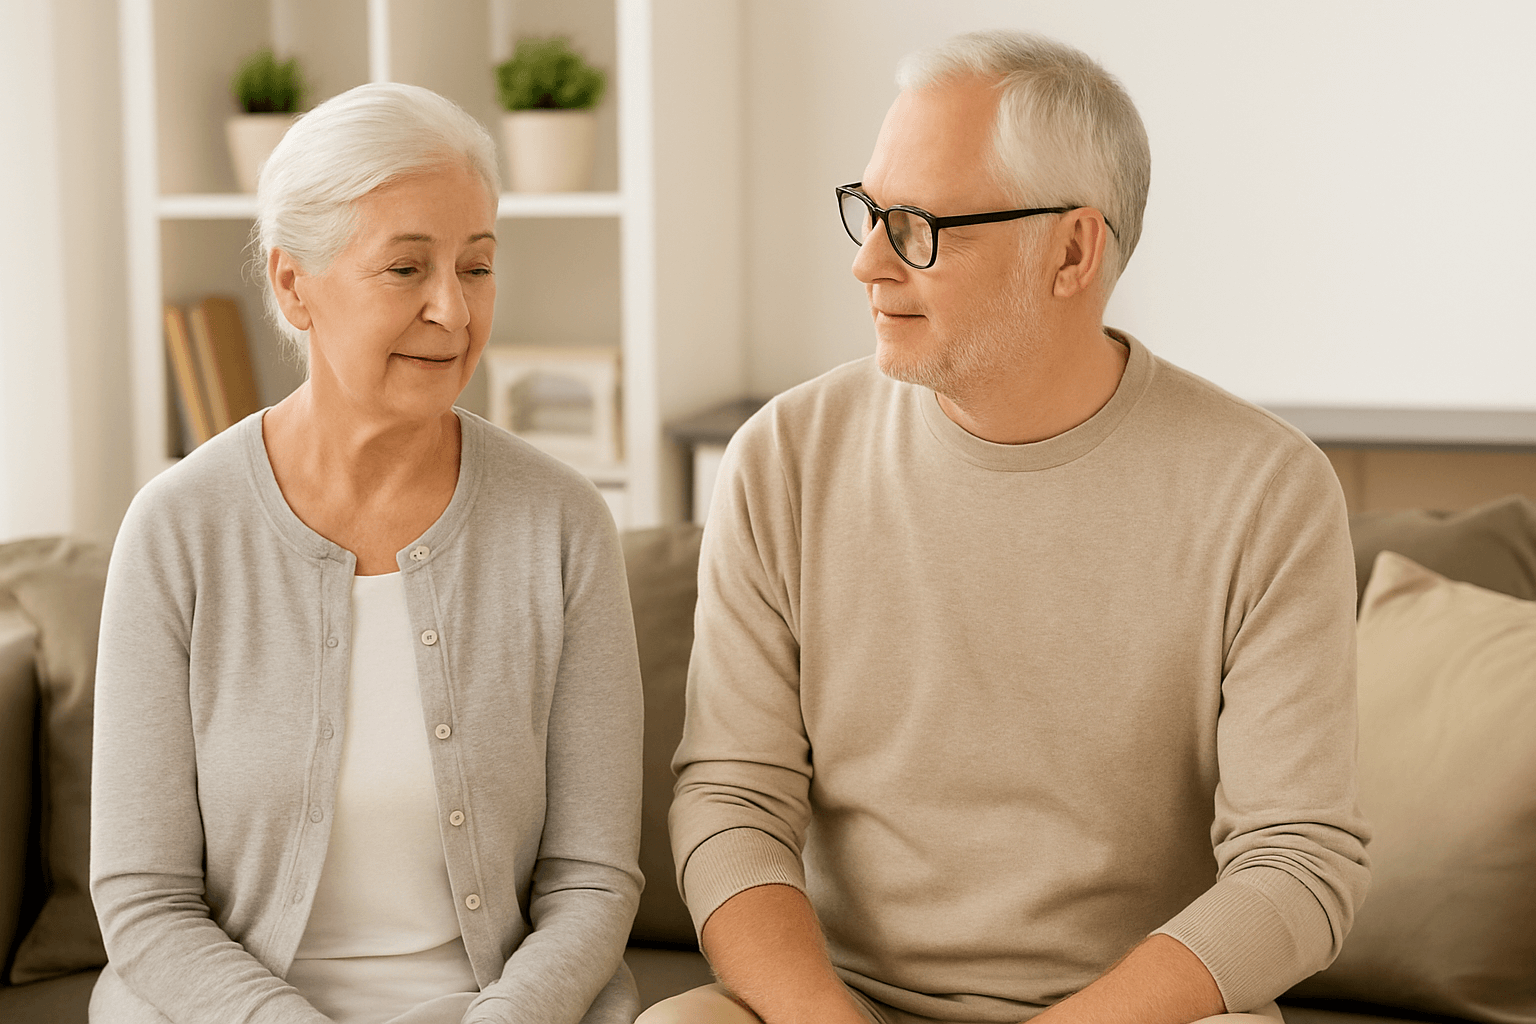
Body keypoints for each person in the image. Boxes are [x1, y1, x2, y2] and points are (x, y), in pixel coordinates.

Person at [644, 30, 1369, 1024]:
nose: (867, 263)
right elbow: (732, 799)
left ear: (1071, 250)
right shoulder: (782, 455)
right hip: (846, 1005)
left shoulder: (1267, 489)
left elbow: (1298, 862)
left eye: (918, 226)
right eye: (870, 212)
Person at [90, 82, 644, 1024]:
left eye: (476, 266)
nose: (452, 311)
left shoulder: (562, 524)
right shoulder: (177, 530)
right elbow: (144, 900)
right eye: (405, 268)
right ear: (292, 285)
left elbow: (592, 878)